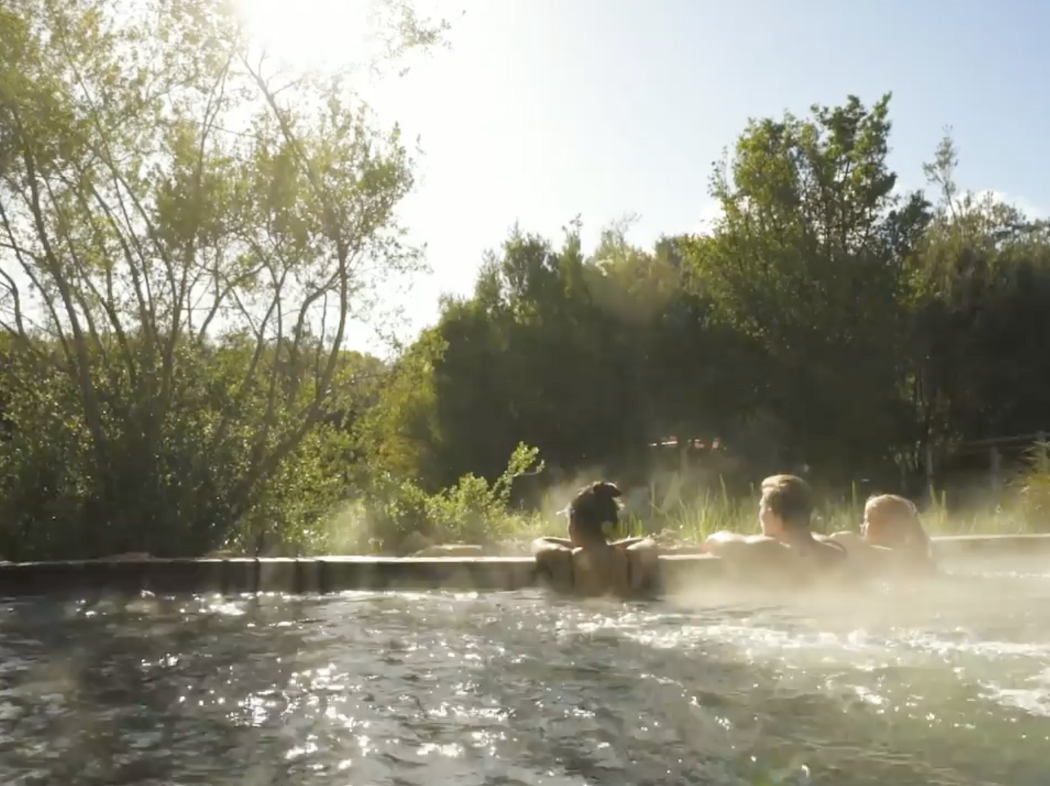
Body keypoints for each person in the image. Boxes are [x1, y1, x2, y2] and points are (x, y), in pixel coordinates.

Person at [702, 474, 848, 586]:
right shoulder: (834, 551)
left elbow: (725, 543)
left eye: (761, 507)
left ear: (771, 514)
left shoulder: (772, 549)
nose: (759, 514)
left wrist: (718, 535)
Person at [532, 481, 659, 598]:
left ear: (574, 525)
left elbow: (539, 542)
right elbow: (647, 542)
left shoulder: (563, 557)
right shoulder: (630, 557)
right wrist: (608, 545)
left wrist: (574, 545)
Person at [829, 494, 936, 576]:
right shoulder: (912, 554)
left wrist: (855, 543)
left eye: (867, 520)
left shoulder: (907, 558)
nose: (862, 526)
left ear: (889, 527)